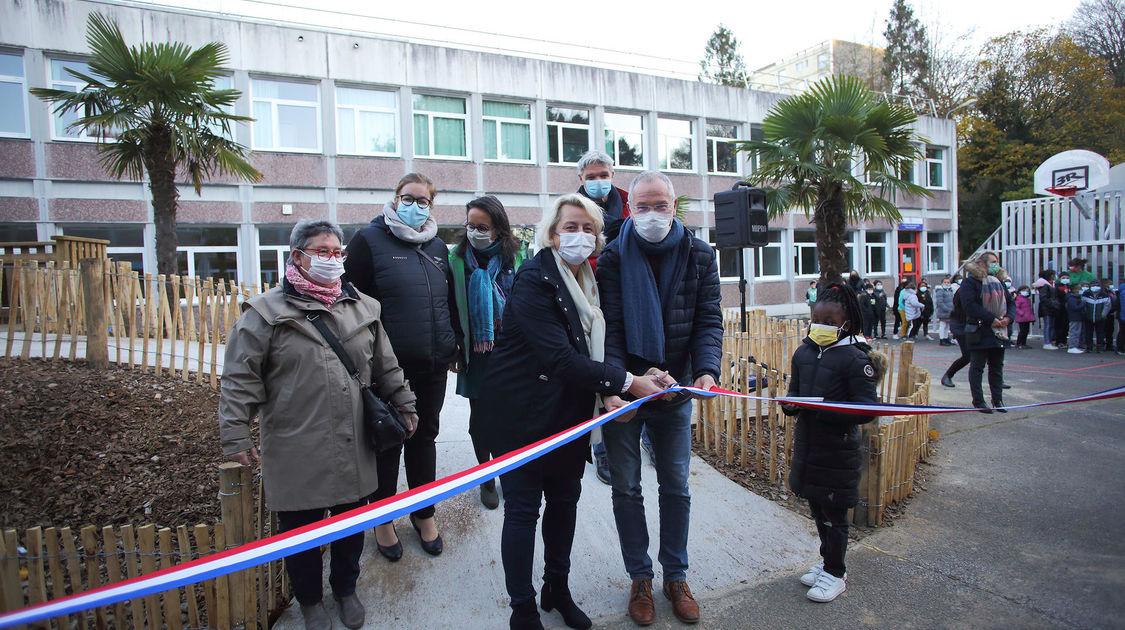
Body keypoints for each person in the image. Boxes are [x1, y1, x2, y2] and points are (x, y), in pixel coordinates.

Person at [476, 194, 668, 630]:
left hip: (567, 415)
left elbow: (592, 349)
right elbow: (560, 359)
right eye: (570, 227)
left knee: (565, 504)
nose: (579, 236)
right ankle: (522, 606)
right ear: (551, 232)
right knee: (524, 511)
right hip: (520, 417)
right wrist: (626, 383)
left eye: (588, 229)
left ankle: (556, 589)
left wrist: (611, 394)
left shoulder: (588, 281)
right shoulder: (534, 278)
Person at [219, 219, 419, 630]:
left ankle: (346, 590)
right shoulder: (264, 314)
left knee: (350, 526)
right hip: (296, 443)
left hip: (352, 438)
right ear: (297, 256)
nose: (332, 259)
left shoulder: (363, 306)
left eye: (337, 252)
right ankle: (310, 601)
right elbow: (240, 380)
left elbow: (386, 364)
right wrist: (235, 432)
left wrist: (405, 402)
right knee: (301, 532)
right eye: (322, 251)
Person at [596, 171, 723, 626]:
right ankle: (640, 578)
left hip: (676, 390)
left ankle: (676, 575)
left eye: (660, 205)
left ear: (675, 206)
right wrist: (622, 382)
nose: (651, 215)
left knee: (676, 487)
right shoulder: (611, 257)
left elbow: (709, 319)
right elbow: (605, 328)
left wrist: (706, 371)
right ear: (630, 209)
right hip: (626, 392)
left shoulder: (701, 255)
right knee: (626, 489)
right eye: (642, 206)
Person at [343, 172, 460, 559]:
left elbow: (447, 302)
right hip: (388, 369)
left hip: (432, 364)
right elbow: (351, 304)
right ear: (395, 199)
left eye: (422, 201)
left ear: (431, 205)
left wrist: (452, 346)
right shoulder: (369, 241)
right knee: (389, 440)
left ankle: (423, 513)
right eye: (407, 198)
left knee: (424, 437)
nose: (414, 205)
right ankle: (383, 518)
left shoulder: (439, 246)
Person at [781, 284, 883, 603]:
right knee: (816, 509)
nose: (821, 325)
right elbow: (795, 392)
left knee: (834, 515)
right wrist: (791, 404)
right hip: (809, 447)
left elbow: (867, 410)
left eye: (829, 320)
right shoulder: (804, 352)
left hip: (838, 451)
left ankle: (836, 573)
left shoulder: (856, 359)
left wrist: (825, 412)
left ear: (846, 323)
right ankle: (827, 562)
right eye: (817, 319)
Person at [449, 195, 525, 509]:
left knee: (510, 420)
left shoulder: (515, 259)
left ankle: (508, 471)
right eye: (471, 225)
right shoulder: (455, 260)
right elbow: (449, 307)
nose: (476, 232)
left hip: (511, 355)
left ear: (498, 230)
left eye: (484, 227)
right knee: (480, 422)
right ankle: (486, 476)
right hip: (475, 354)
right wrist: (453, 348)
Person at [959, 251, 1015, 413]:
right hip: (980, 329)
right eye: (993, 261)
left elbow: (1011, 303)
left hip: (999, 331)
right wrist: (991, 318)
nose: (996, 264)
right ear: (982, 264)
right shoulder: (970, 283)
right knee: (977, 367)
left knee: (997, 367)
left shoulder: (999, 282)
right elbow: (970, 306)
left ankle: (998, 400)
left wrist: (1008, 318)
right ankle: (979, 401)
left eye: (997, 261)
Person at [575, 150, 631, 243]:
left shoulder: (629, 203)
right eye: (591, 177)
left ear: (612, 175)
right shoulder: (571, 209)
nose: (598, 181)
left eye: (604, 175)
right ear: (581, 179)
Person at [940, 287, 972, 388]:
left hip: (968, 325)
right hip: (961, 325)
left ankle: (997, 380)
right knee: (968, 356)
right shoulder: (966, 289)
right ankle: (948, 375)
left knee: (987, 355)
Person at [1033, 269, 1059, 350]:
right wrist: (1053, 304)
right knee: (1047, 325)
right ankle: (1047, 342)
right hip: (1047, 309)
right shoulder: (1044, 285)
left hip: (1051, 308)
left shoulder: (1052, 284)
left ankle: (1049, 341)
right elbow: (1043, 298)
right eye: (1054, 275)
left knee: (1051, 325)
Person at [1082, 282, 1111, 352]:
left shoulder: (1104, 295)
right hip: (1088, 317)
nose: (1095, 287)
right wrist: (1085, 314)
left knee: (1100, 332)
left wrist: (1103, 315)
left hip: (1100, 318)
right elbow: (1083, 304)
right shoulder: (1086, 294)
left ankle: (1099, 346)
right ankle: (1089, 346)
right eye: (1093, 285)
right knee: (1088, 333)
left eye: (1097, 286)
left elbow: (1108, 305)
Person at [933, 276, 955, 346]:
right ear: (942, 283)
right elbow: (940, 302)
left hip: (949, 311)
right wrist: (947, 309)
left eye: (948, 282)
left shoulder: (950, 290)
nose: (946, 284)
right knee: (942, 325)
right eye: (945, 282)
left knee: (947, 326)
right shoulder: (940, 291)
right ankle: (942, 339)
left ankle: (946, 338)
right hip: (943, 311)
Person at [1066, 281, 1086, 353]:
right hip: (1074, 318)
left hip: (1078, 317)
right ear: (1074, 290)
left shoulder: (1077, 298)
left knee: (1077, 332)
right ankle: (1072, 346)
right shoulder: (1072, 298)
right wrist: (1083, 303)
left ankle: (1075, 346)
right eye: (1079, 288)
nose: (1081, 290)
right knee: (1074, 332)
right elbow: (1075, 308)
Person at [1054, 272, 1072, 348]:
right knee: (1059, 326)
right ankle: (1058, 341)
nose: (1065, 280)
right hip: (1059, 309)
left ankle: (1064, 341)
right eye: (1063, 278)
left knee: (1066, 326)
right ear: (1059, 279)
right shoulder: (1056, 287)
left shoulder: (1070, 287)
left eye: (1067, 278)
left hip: (1067, 309)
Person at [1100, 279, 1118, 352]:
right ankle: (1102, 344)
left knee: (1110, 330)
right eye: (1109, 284)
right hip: (1105, 314)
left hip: (1111, 313)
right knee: (1104, 329)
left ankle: (1109, 345)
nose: (1111, 285)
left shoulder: (1111, 292)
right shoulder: (1103, 293)